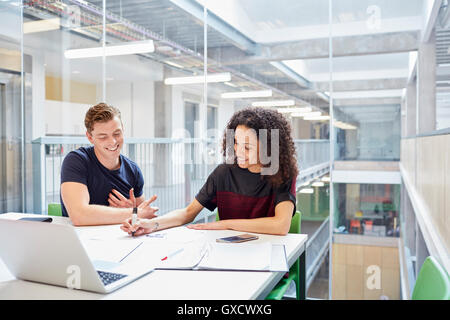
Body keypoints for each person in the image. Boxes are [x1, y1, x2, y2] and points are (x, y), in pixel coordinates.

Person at [121, 107, 298, 236]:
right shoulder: (223, 173)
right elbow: (187, 213)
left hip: (268, 256)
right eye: (236, 143)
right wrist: (151, 224)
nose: (238, 151)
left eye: (247, 147)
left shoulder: (282, 175)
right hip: (229, 253)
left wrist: (226, 225)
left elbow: (280, 225)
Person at [60, 102, 158, 226]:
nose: (112, 142)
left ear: (123, 129)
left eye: (117, 134)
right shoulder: (77, 161)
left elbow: (143, 219)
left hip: (121, 240)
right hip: (82, 241)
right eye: (103, 137)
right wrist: (132, 212)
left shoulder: (133, 170)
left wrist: (133, 213)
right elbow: (79, 215)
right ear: (90, 137)